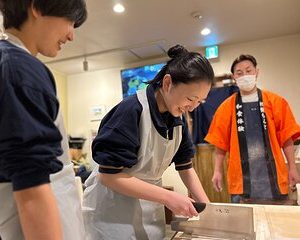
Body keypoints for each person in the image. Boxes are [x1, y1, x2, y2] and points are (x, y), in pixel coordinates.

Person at [83, 45, 213, 240]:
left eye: (199, 102)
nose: (192, 107)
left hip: (148, 211)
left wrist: (208, 210)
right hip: (111, 215)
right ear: (168, 83)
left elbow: (186, 167)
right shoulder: (130, 111)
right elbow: (109, 176)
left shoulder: (177, 117)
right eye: (190, 98)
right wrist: (169, 197)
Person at [0, 1, 87, 240]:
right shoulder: (20, 69)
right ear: (36, 7)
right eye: (70, 21)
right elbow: (31, 185)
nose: (71, 35)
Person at [205, 54, 300, 203]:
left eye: (249, 70)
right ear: (234, 77)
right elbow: (220, 144)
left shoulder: (276, 102)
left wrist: (292, 167)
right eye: (239, 73)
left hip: (273, 178)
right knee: (243, 224)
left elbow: (286, 138)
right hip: (241, 180)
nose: (245, 75)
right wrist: (217, 171)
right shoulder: (225, 108)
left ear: (257, 72)